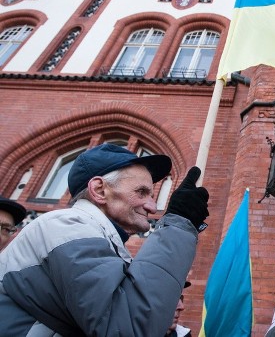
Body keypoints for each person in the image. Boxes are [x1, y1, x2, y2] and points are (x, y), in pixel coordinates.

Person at [0, 143, 209, 336]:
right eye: (141, 192)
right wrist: (178, 225)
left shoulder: (100, 237)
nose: (152, 207)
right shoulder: (68, 224)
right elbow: (128, 327)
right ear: (100, 190)